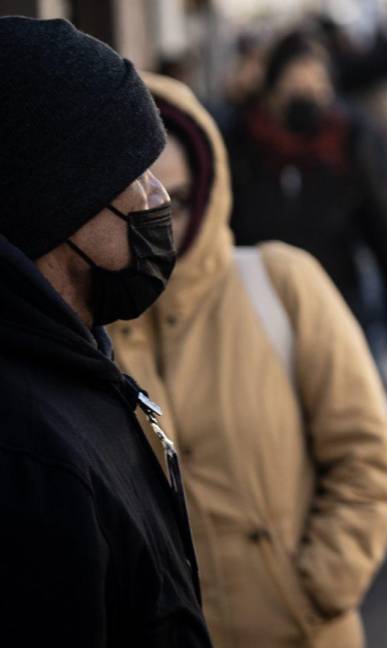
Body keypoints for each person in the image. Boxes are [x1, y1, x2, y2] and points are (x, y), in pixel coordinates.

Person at [109, 73, 387, 648]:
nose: (161, 221)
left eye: (181, 197)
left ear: (210, 183)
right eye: (137, 200)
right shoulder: (86, 331)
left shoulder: (281, 282)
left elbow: (366, 459)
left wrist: (313, 588)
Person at [0, 18, 211, 646]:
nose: (155, 200)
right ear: (60, 201)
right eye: (135, 177)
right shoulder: (27, 450)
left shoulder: (79, 363)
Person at [225, 30, 387, 344]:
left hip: (334, 307)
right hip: (254, 312)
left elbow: (379, 230)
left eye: (316, 84)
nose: (306, 93)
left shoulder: (346, 143)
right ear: (273, 88)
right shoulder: (242, 144)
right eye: (295, 82)